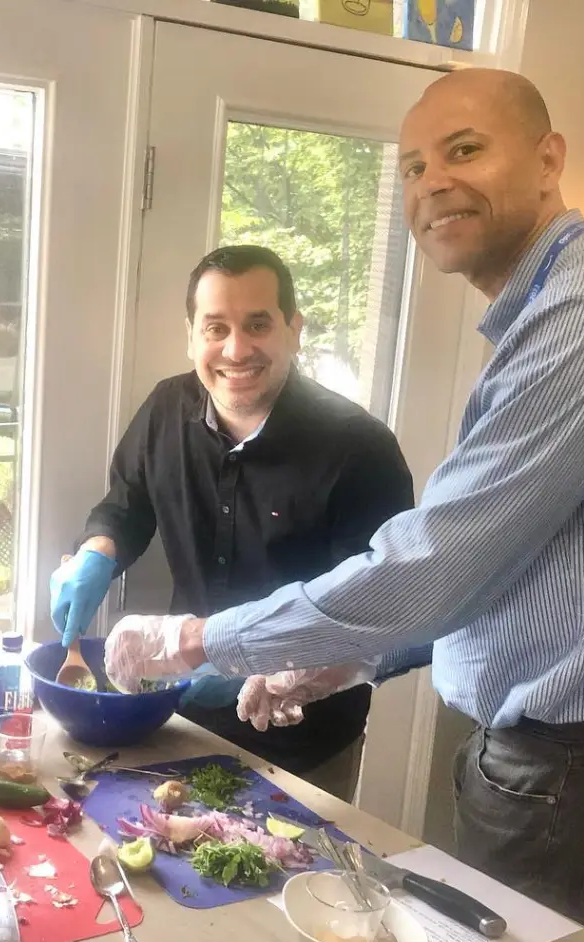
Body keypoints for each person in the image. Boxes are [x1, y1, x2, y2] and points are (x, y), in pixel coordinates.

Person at [103, 69, 584, 919]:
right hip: (526, 755)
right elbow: (503, 566)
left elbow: (436, 565)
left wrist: (196, 640)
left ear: (549, 159)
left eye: (465, 150)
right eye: (413, 167)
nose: (433, 182)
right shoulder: (536, 315)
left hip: (555, 761)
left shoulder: (571, 320)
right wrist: (347, 660)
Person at [50, 245, 412, 800]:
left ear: (294, 330)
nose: (236, 349)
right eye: (216, 328)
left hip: (303, 745)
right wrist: (96, 551)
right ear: (192, 335)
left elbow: (374, 608)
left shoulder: (360, 449)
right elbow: (127, 502)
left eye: (258, 324)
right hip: (176, 722)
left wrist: (285, 664)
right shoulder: (166, 407)